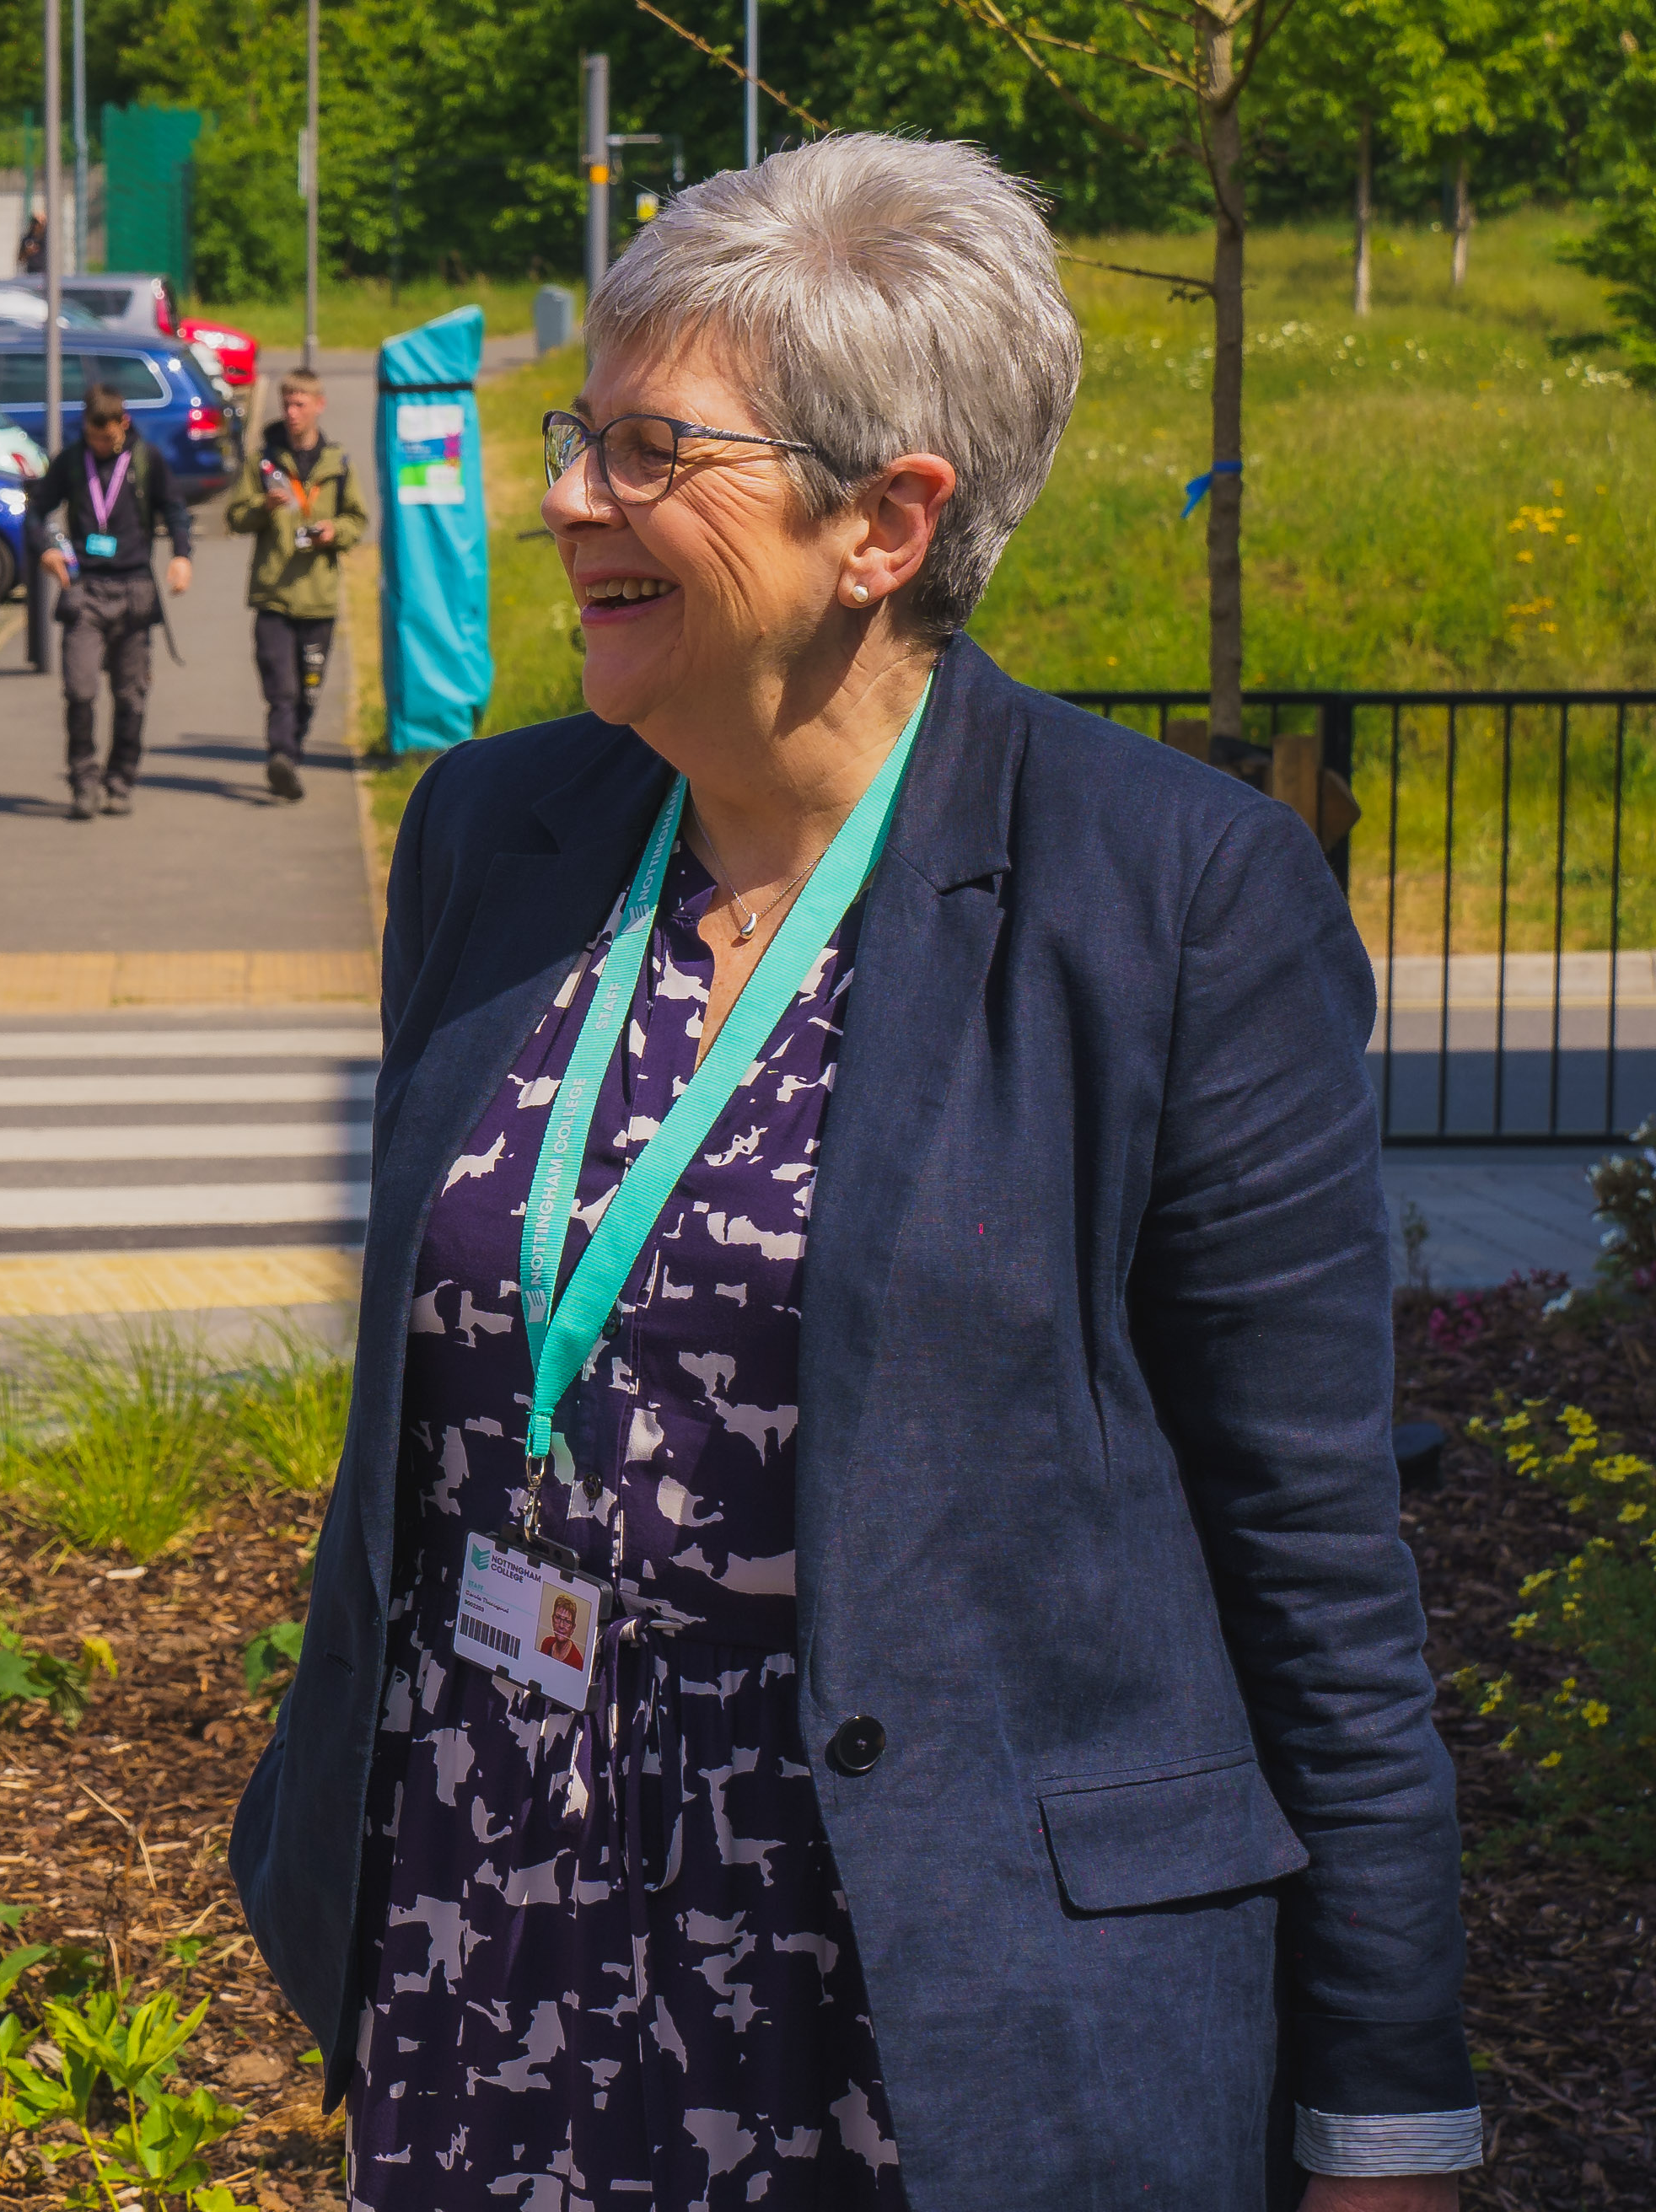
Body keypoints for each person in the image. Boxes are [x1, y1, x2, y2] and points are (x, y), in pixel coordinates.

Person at [229, 134, 1475, 2212]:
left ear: (883, 517)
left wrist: (1384, 2114)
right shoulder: (494, 835)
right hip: (492, 1944)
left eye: (649, 451)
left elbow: (1314, 1564)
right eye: (576, 435)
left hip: (936, 2010)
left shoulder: (1168, 896)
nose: (563, 500)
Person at [29, 382, 192, 819]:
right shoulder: (71, 461)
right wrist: (45, 547)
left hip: (134, 589)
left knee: (131, 696)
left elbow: (175, 509)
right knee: (80, 690)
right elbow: (35, 510)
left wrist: (181, 555)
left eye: (108, 437)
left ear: (124, 424)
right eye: (93, 436)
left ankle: (120, 779)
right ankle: (83, 781)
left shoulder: (146, 459)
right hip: (85, 591)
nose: (101, 445)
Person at [221, 368, 369, 803]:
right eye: (286, 403)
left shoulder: (338, 464)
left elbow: (357, 520)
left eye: (300, 404)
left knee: (308, 691)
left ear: (319, 406)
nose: (291, 412)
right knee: (281, 690)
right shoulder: (264, 460)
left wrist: (333, 532)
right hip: (274, 595)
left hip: (319, 599)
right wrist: (263, 506)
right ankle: (281, 758)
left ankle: (292, 752)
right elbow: (234, 517)